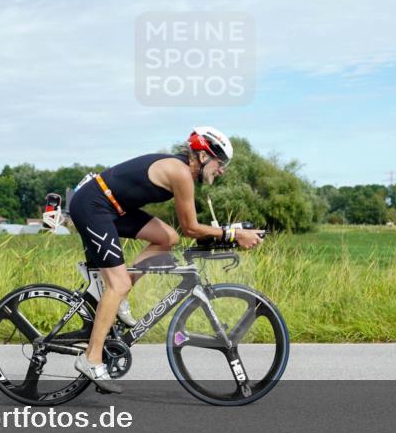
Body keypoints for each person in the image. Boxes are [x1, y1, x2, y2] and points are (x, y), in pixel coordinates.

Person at [68, 126, 264, 393]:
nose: (222, 170)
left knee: (167, 239)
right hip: (93, 205)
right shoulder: (180, 172)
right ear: (205, 156)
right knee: (118, 283)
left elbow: (183, 234)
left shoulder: (183, 171)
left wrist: (230, 233)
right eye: (221, 163)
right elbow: (192, 228)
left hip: (113, 206)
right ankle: (91, 358)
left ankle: (119, 298)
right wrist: (233, 234)